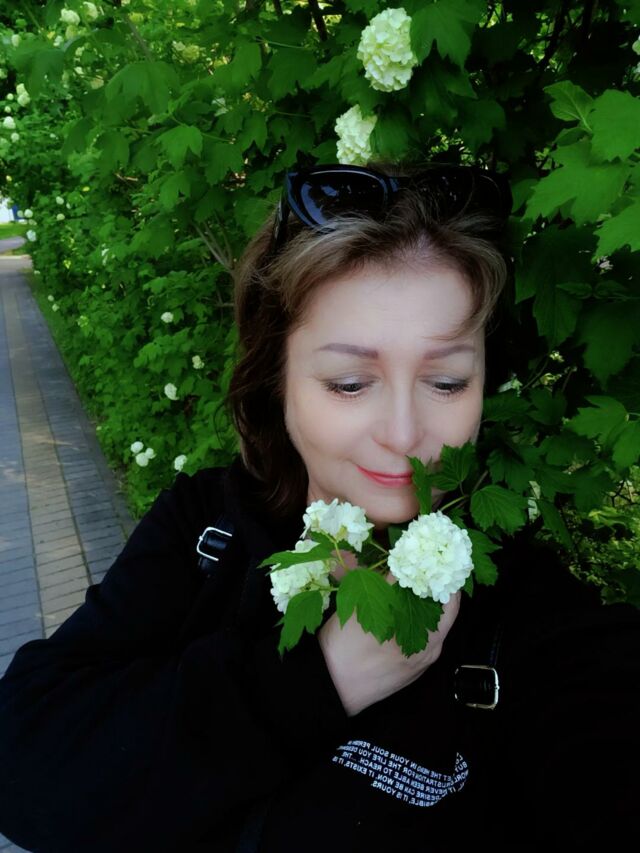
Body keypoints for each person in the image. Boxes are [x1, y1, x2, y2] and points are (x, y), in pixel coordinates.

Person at [0, 162, 638, 853]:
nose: (404, 434)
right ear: (276, 379)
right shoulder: (207, 530)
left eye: (448, 381)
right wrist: (319, 679)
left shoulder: (523, 607)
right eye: (349, 383)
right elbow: (24, 764)